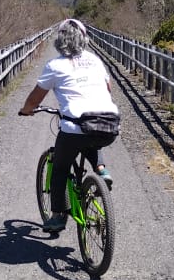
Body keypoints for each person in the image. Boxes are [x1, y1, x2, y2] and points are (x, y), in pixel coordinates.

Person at [19, 18, 119, 232]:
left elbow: (35, 98)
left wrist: (27, 109)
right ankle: (102, 171)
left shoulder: (55, 66)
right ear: (84, 39)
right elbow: (108, 89)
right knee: (91, 138)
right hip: (109, 123)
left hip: (75, 126)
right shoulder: (95, 60)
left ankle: (58, 216)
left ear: (59, 40)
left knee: (60, 167)